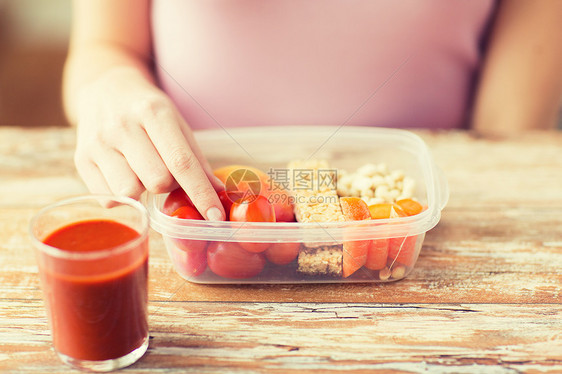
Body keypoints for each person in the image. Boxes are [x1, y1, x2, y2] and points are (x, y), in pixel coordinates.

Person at [63, 0, 562, 221]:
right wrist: (107, 86)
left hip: (434, 212)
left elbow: (509, 136)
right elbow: (104, 45)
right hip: (193, 209)